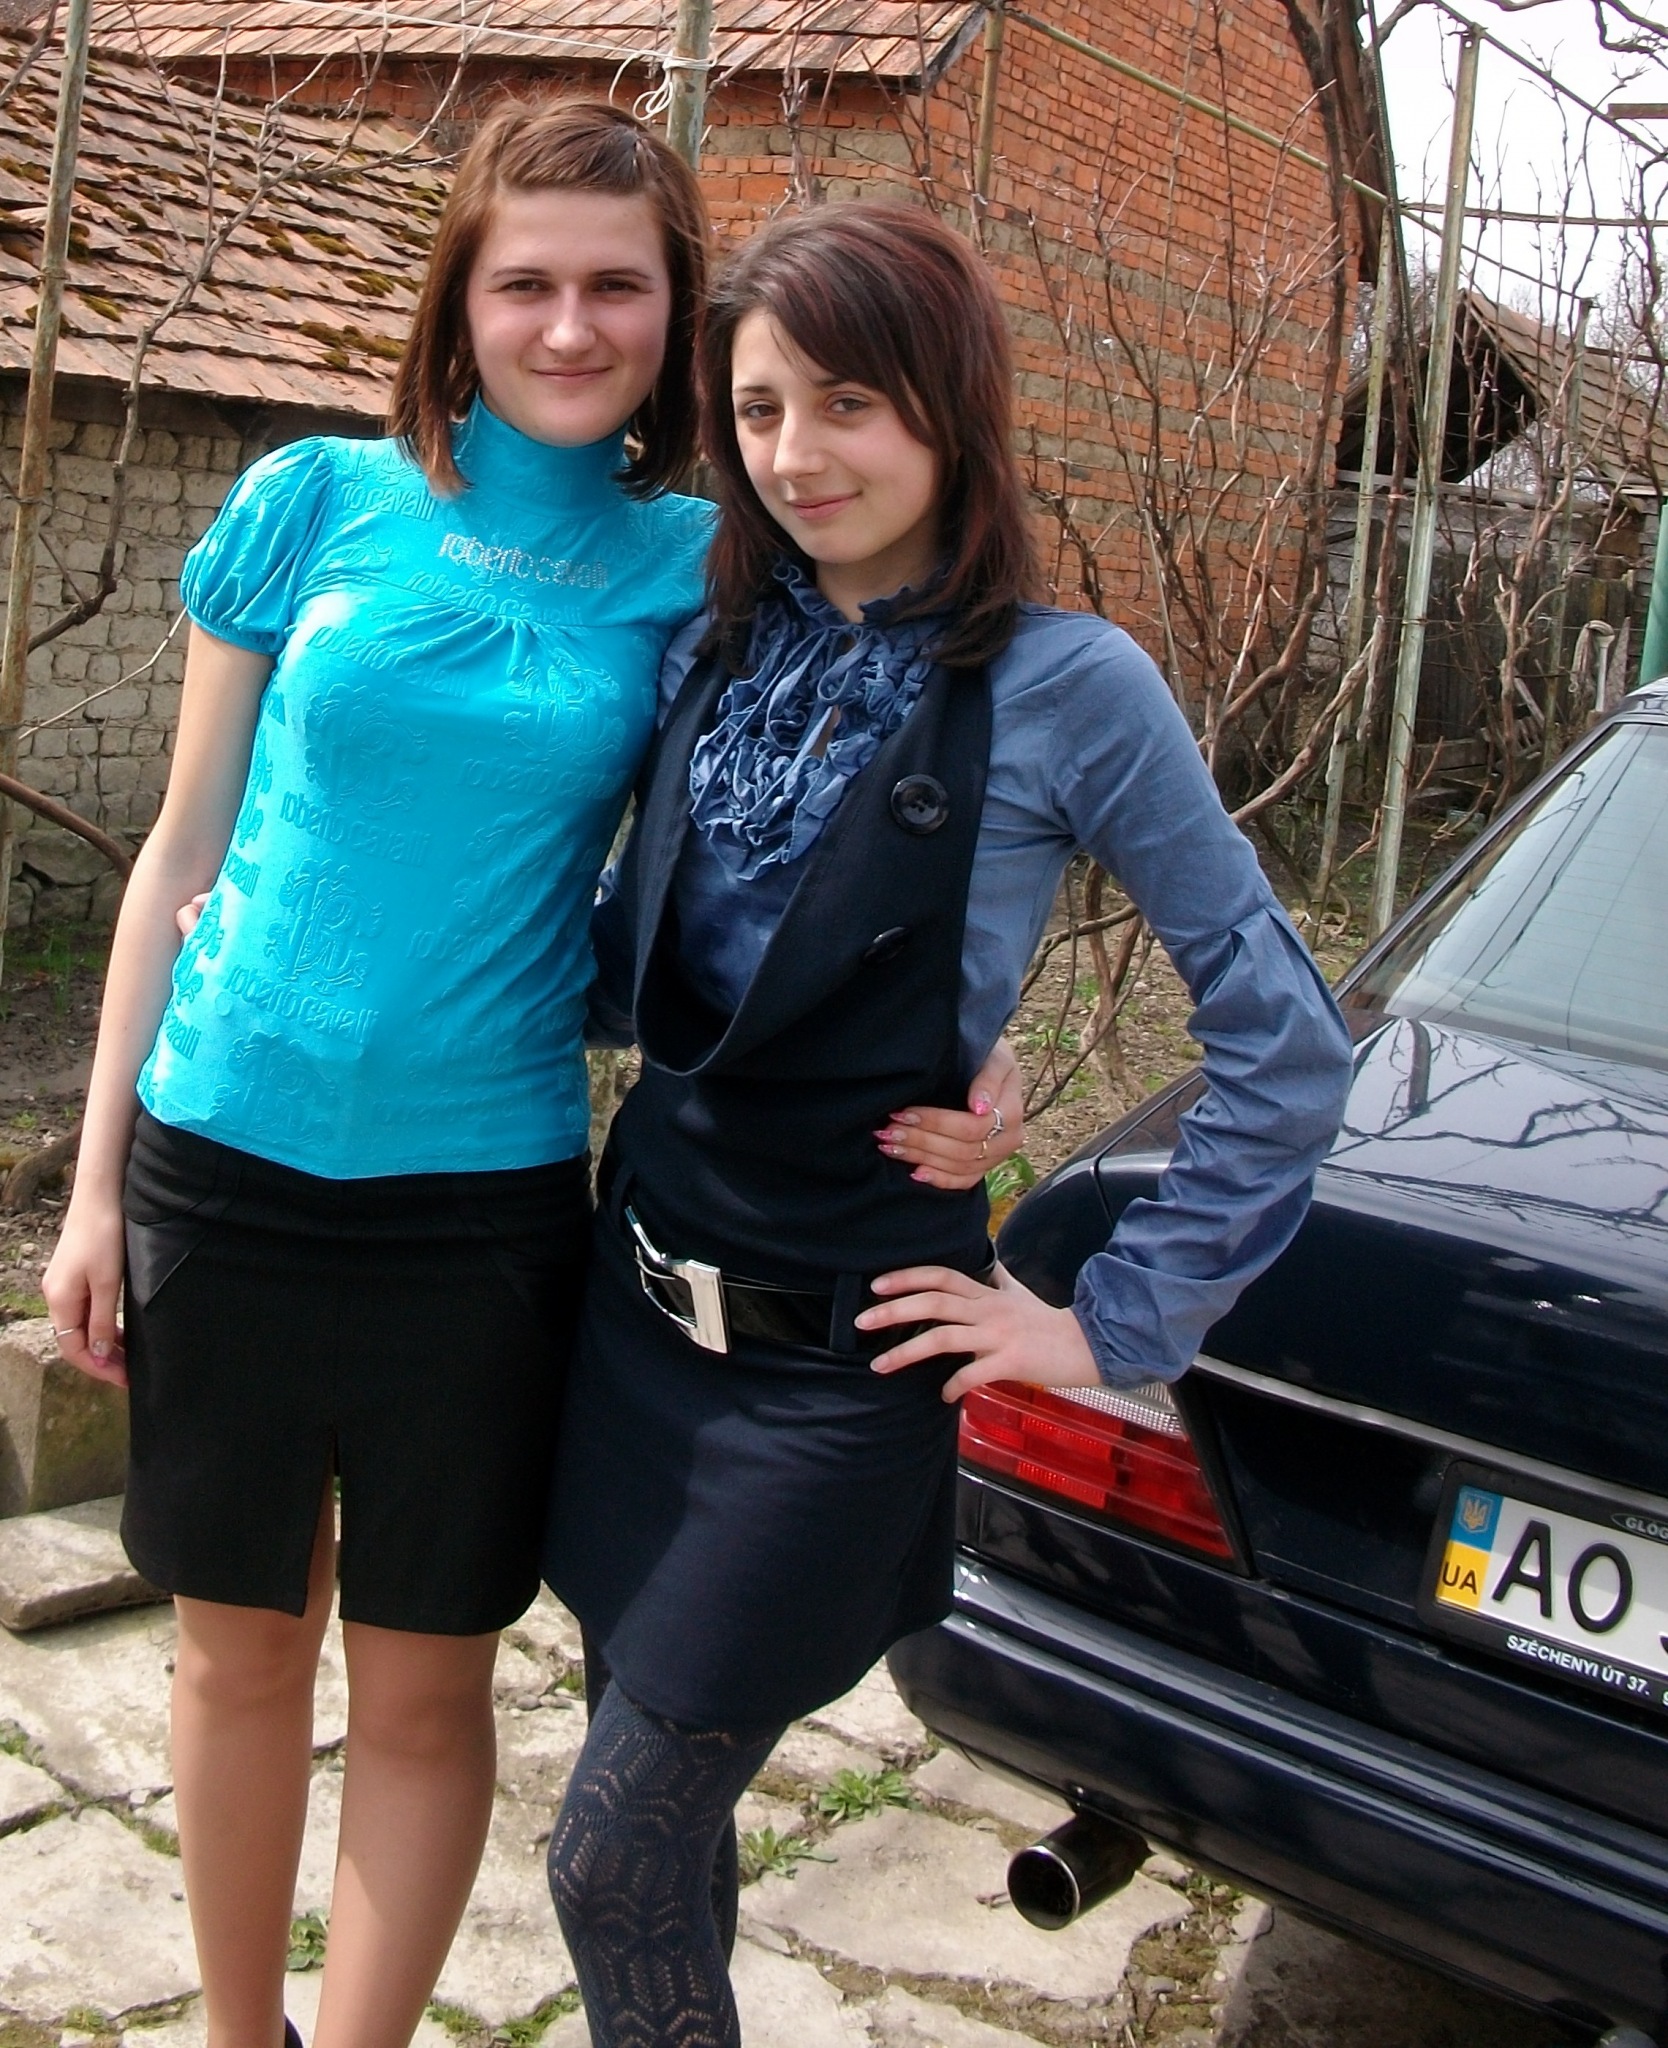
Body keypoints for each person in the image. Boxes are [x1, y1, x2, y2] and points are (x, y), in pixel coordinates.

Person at [540, 199, 1357, 2048]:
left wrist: (1108, 1323)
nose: (797, 456)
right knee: (663, 1846)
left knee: (606, 1857)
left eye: (848, 403)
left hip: (840, 1369)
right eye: (760, 410)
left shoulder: (1074, 687)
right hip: (632, 1318)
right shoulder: (706, 647)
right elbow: (632, 980)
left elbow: (1286, 1040)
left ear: (948, 407)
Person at [41, 100, 717, 2048]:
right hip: (224, 1165)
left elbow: (813, 822)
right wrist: (93, 1188)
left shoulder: (698, 566)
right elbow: (178, 851)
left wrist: (952, 1017)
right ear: (460, 301)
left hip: (480, 1210)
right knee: (237, 1654)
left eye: (618, 286)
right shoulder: (313, 500)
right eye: (528, 283)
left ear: (676, 314)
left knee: (426, 1690)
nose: (570, 327)